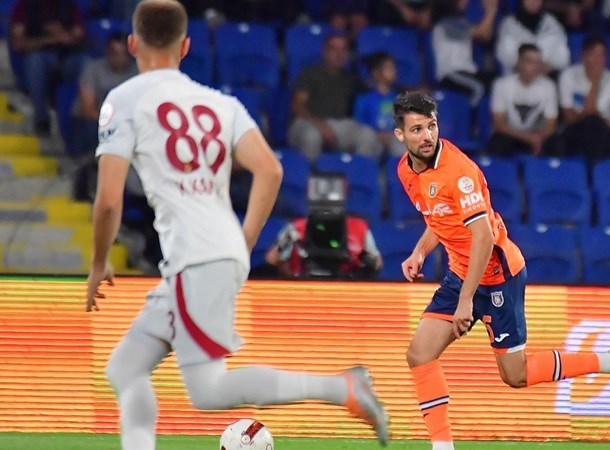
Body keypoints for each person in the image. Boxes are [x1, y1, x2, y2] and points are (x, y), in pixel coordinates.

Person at [84, 3, 389, 450]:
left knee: (208, 391)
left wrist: (98, 263)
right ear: (186, 47)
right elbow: (271, 169)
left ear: (133, 44)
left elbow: (109, 198)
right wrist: (241, 242)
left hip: (195, 256)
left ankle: (341, 388)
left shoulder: (125, 99)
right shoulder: (221, 104)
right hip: (207, 253)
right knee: (125, 368)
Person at [392, 91, 610, 450]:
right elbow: (438, 216)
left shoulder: (459, 173)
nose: (427, 136)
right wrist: (420, 252)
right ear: (400, 135)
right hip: (462, 273)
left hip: (498, 274)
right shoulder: (405, 171)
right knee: (420, 354)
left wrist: (466, 301)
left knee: (516, 375)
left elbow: (483, 237)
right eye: (417, 129)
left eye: (431, 126)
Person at [288, 32, 383, 162]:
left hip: (339, 125)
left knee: (368, 135)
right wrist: (320, 125)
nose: (339, 54)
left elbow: (378, 90)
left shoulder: (351, 79)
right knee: (312, 136)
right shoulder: (309, 73)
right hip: (307, 123)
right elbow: (297, 106)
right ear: (324, 51)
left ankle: (358, 173)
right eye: (334, 49)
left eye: (343, 49)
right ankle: (310, 174)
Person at [9, 0, 87, 136]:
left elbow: (77, 37)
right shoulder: (24, 7)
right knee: (36, 62)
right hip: (38, 56)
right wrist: (52, 38)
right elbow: (18, 44)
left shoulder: (69, 6)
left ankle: (80, 123)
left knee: (84, 63)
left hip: (67, 57)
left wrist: (60, 33)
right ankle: (42, 120)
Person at [558, 36, 610, 163]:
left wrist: (595, 82)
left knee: (595, 125)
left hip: (601, 129)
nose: (597, 60)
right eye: (592, 54)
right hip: (575, 128)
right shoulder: (568, 75)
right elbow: (569, 116)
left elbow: (592, 110)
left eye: (601, 55)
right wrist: (595, 82)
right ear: (582, 56)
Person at [487, 43, 559, 157]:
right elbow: (499, 123)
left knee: (556, 143)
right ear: (519, 63)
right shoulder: (502, 85)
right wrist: (528, 138)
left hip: (537, 135)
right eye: (530, 62)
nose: (535, 67)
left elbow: (551, 123)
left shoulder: (549, 86)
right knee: (498, 143)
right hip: (511, 134)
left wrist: (538, 138)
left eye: (537, 62)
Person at [74, 32, 138, 154]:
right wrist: (115, 124)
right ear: (107, 52)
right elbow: (88, 110)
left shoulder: (136, 72)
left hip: (127, 125)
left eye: (123, 54)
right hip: (95, 122)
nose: (119, 59)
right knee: (92, 129)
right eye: (115, 54)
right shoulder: (92, 69)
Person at [265, 214, 383, 279]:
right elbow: (272, 259)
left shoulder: (359, 228)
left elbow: (377, 263)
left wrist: (361, 260)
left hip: (344, 291)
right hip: (304, 288)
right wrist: (294, 280)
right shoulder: (295, 229)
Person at [431, 0, 498, 107]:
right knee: (479, 88)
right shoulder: (446, 24)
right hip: (450, 73)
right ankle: (469, 116)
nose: (465, 2)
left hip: (468, 71)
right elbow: (481, 33)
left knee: (497, 83)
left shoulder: (462, 21)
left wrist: (489, 10)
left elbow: (486, 36)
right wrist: (491, 10)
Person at [495, 0, 570, 75]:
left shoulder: (552, 23)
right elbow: (503, 56)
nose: (534, 2)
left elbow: (563, 57)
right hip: (515, 77)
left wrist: (547, 66)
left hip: (546, 77)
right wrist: (527, 67)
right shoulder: (508, 24)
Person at [354, 52, 407, 156]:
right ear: (376, 73)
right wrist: (377, 133)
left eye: (394, 68)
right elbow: (359, 124)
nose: (394, 71)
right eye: (389, 68)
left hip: (393, 138)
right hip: (373, 137)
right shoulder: (364, 99)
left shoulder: (399, 99)